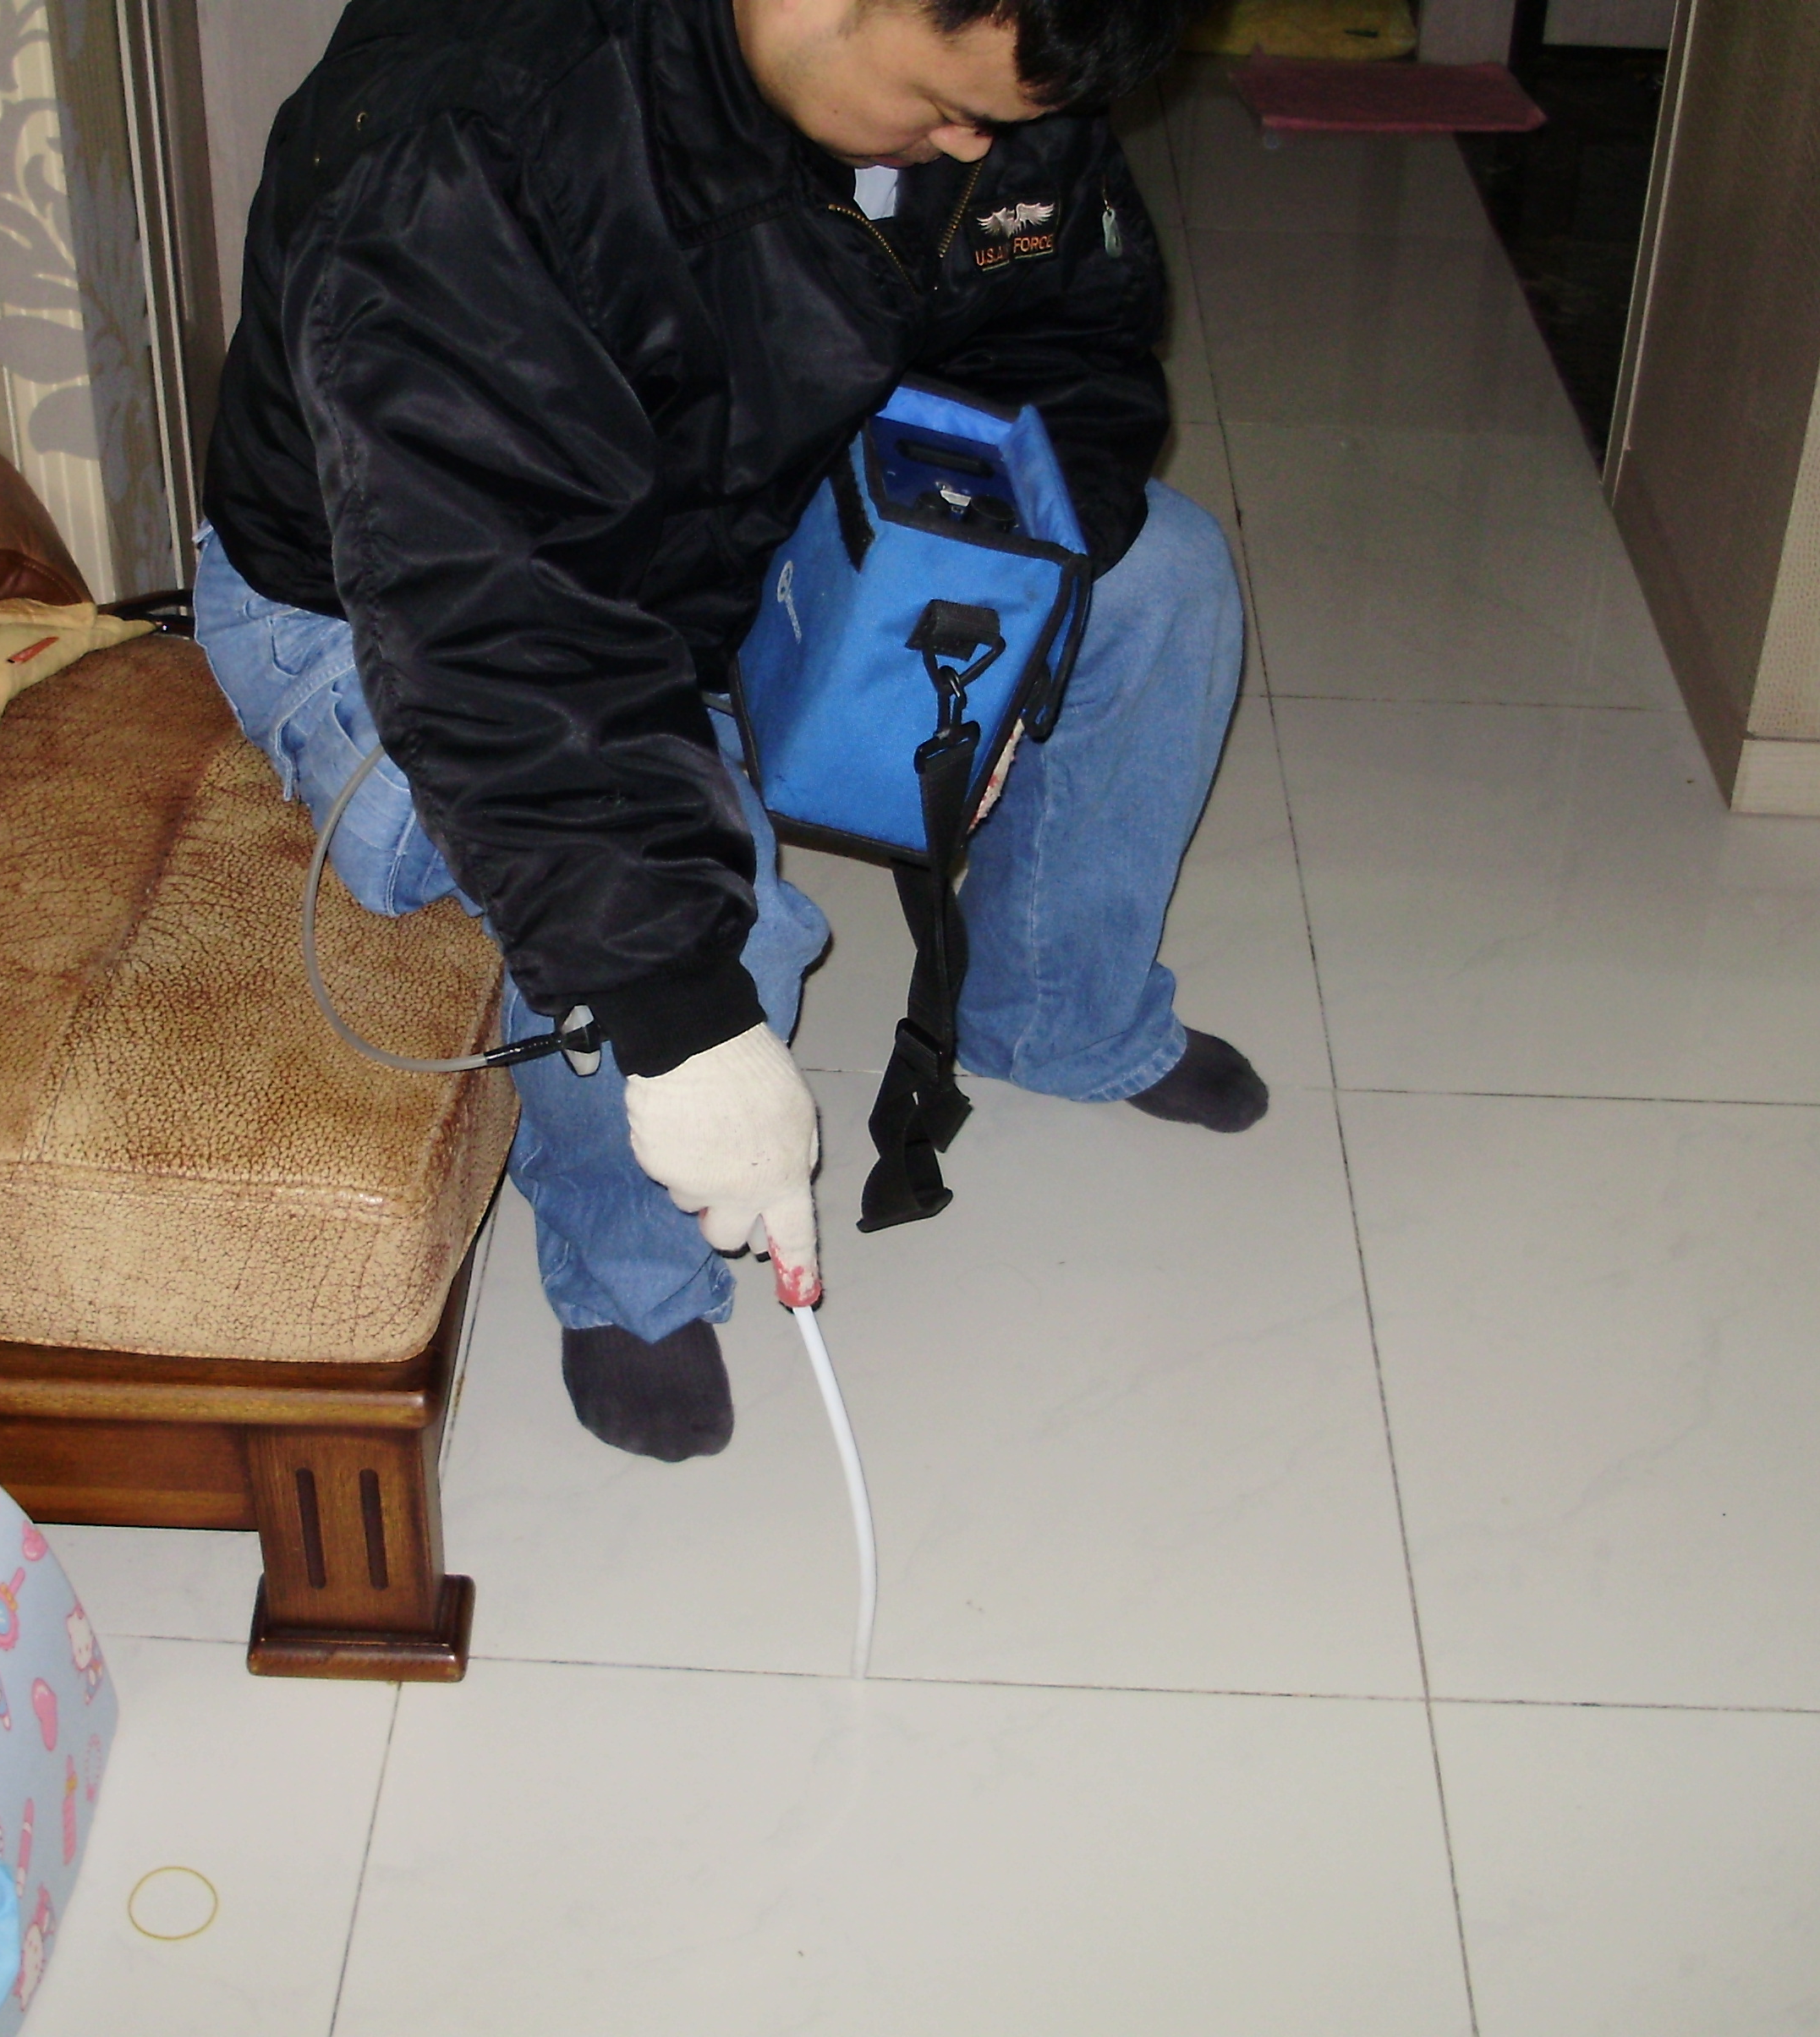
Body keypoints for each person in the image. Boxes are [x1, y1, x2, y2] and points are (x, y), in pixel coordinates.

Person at [195, 0, 1261, 1463]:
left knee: (1162, 582)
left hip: (744, 501)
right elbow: (505, 629)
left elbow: (1069, 349)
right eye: (947, 109)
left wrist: (1001, 590)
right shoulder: (478, 132)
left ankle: (1061, 1011)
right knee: (702, 910)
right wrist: (684, 1018)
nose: (977, 149)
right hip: (394, 595)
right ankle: (633, 1272)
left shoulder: (1001, 70)